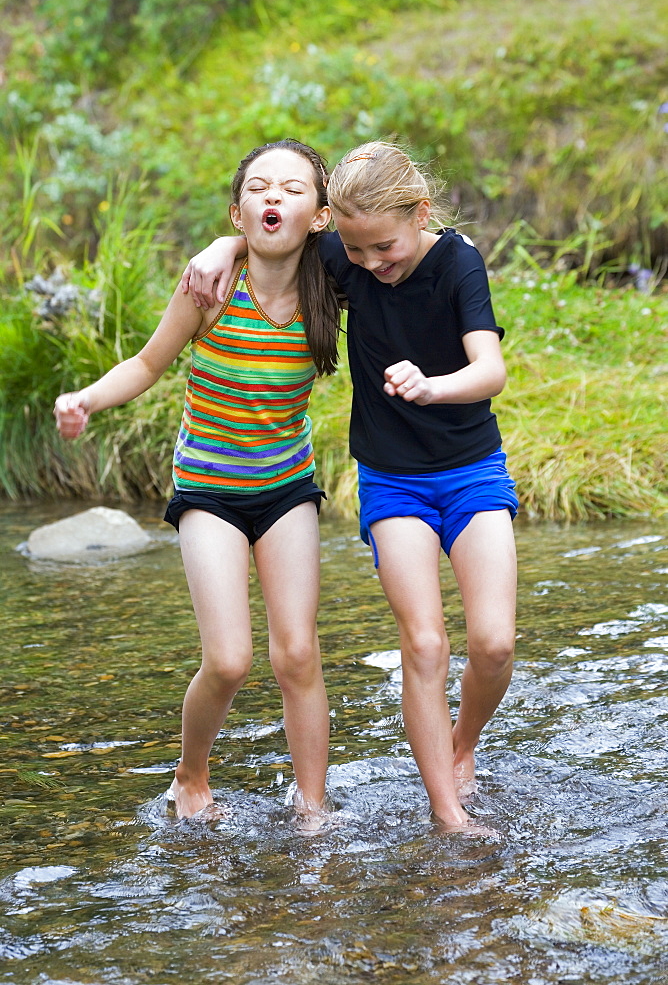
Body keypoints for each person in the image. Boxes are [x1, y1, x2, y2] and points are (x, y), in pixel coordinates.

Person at [181, 140, 518, 831]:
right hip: (392, 480)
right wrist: (224, 246)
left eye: (384, 249)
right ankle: (449, 814)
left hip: (472, 469)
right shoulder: (341, 252)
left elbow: (490, 370)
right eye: (357, 253)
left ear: (421, 214)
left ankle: (465, 744)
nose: (370, 266)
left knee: (494, 644)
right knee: (424, 643)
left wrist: (433, 386)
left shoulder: (457, 263)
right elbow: (276, 232)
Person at [54, 139, 341, 822]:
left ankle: (313, 809)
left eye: (293, 188)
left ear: (321, 216)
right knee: (231, 662)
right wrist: (88, 399)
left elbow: (396, 243)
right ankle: (190, 773)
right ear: (238, 211)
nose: (274, 197)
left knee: (298, 653)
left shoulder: (334, 283)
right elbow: (149, 363)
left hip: (286, 486)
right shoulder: (210, 287)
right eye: (259, 188)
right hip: (209, 489)